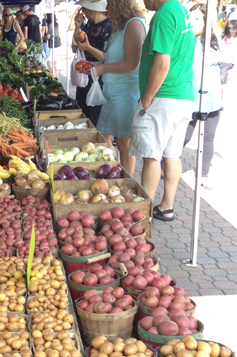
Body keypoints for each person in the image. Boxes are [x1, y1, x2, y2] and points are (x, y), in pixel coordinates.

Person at [129, 0, 195, 221]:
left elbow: (162, 62)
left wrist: (147, 98)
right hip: (183, 96)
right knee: (172, 154)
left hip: (164, 97)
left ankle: (143, 216)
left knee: (151, 155)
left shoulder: (165, 14)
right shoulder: (182, 11)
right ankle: (166, 207)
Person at [82, 0, 147, 176]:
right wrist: (95, 66)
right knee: (105, 137)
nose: (107, 9)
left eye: (109, 5)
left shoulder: (134, 25)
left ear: (119, 6)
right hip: (113, 94)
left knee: (123, 142)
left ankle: (126, 179)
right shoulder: (121, 28)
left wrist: (102, 69)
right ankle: (115, 173)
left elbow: (132, 64)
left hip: (125, 94)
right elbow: (113, 59)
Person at [183, 3, 222, 188]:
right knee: (184, 135)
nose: (193, 22)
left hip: (212, 99)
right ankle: (164, 164)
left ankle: (203, 174)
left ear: (207, 22)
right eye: (190, 17)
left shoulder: (213, 42)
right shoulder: (187, 40)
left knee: (208, 137)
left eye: (198, 18)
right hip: (192, 98)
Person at [73, 0, 113, 126]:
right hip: (85, 75)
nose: (82, 11)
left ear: (92, 8)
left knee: (94, 116)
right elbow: (75, 48)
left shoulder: (108, 27)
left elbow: (108, 57)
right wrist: (77, 27)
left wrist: (88, 48)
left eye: (84, 8)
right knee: (82, 112)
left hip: (99, 77)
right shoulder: (88, 25)